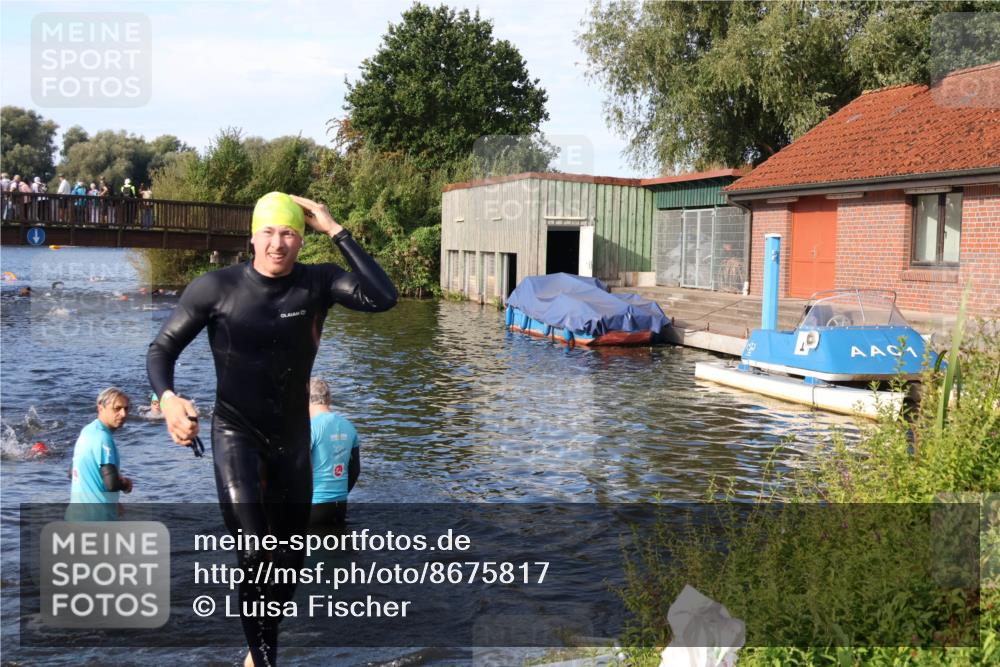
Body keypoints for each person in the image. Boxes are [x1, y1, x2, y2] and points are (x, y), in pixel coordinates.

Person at [147, 192, 396, 667]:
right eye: (268, 232)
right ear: (252, 237)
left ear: (302, 239)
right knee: (254, 548)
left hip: (293, 441)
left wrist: (336, 230)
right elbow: (162, 349)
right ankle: (264, 660)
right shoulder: (214, 288)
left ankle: (258, 649)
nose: (277, 243)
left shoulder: (318, 283)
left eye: (288, 233)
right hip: (236, 434)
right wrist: (169, 398)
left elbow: (383, 298)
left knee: (288, 566)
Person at [67, 388, 132, 522]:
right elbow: (111, 483)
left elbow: (72, 472)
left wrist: (112, 501)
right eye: (117, 408)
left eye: (126, 409)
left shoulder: (87, 431)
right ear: (101, 408)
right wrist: (126, 484)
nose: (123, 414)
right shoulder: (103, 438)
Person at [308, 378, 359, 527]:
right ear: (329, 398)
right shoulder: (349, 426)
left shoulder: (310, 428)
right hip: (340, 507)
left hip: (313, 508)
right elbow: (355, 470)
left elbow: (298, 469)